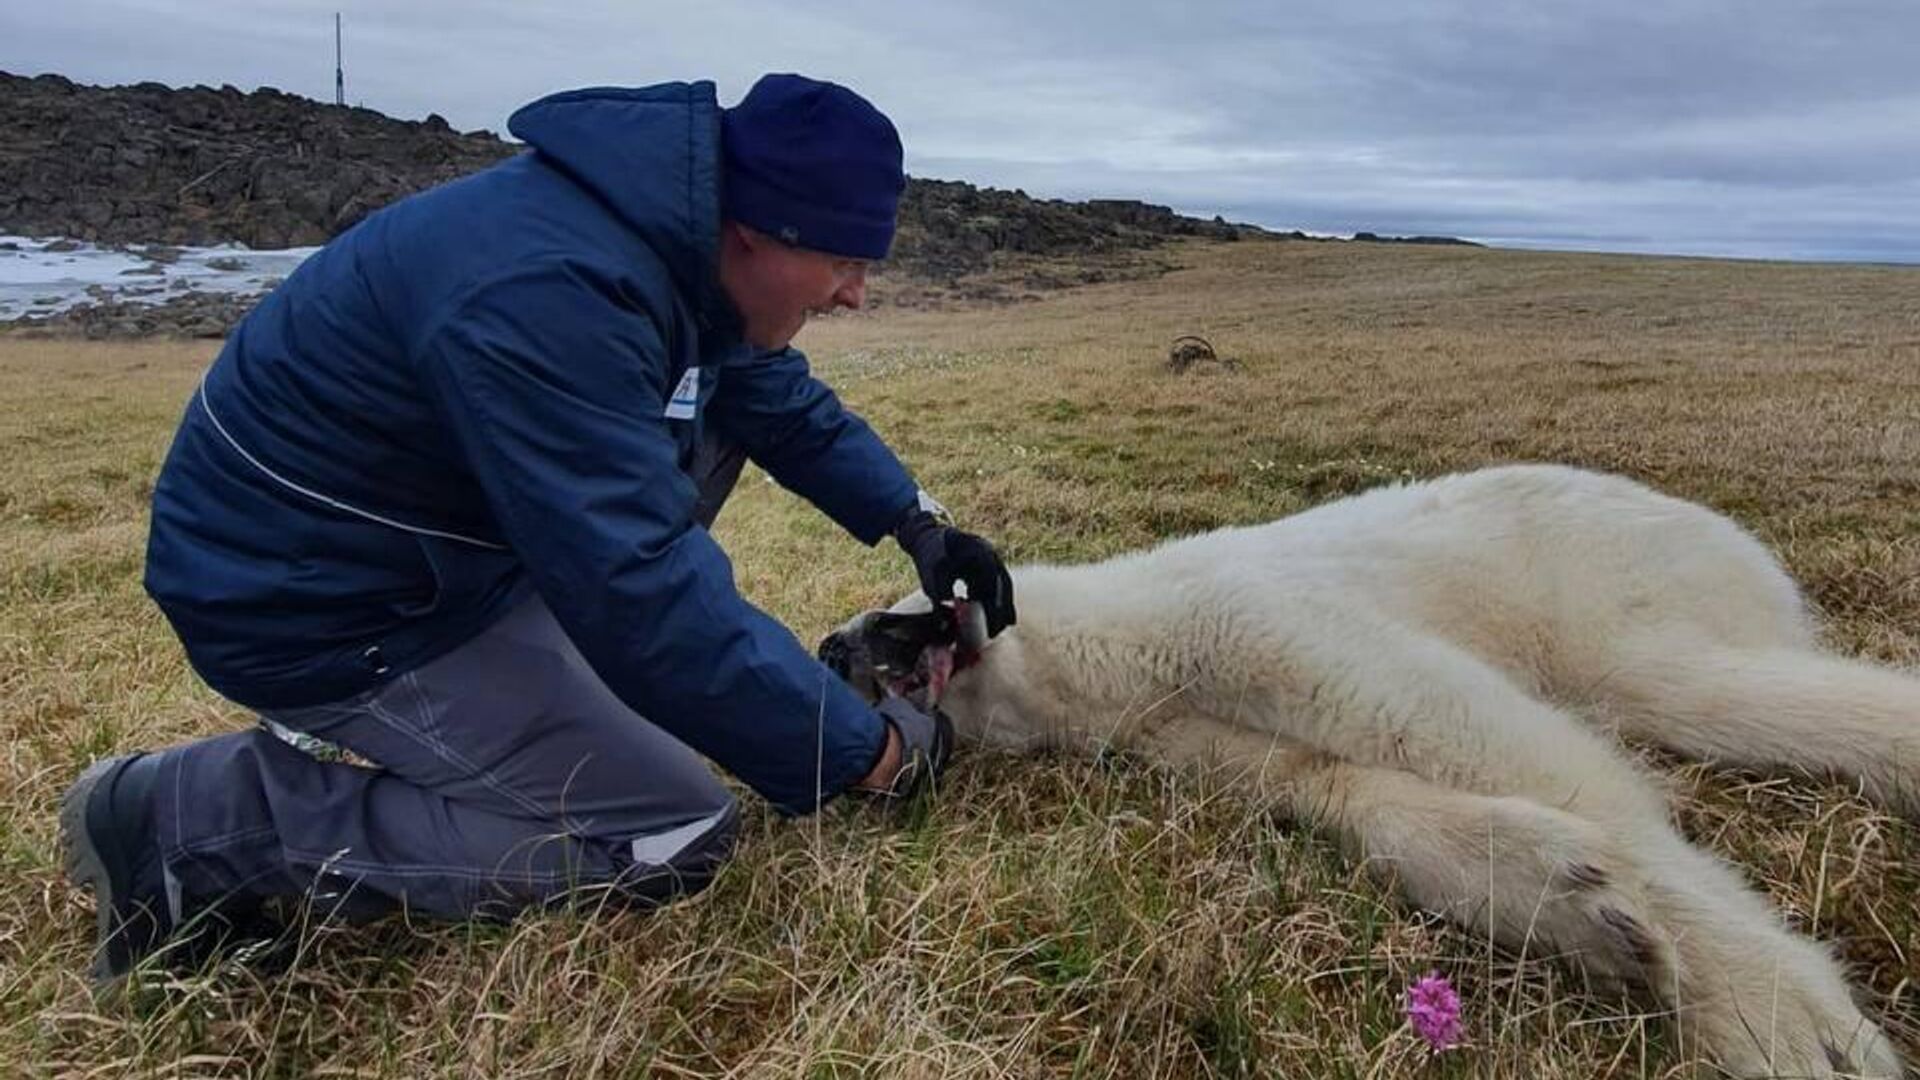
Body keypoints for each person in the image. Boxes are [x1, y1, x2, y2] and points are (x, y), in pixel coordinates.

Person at [57, 73, 1017, 981]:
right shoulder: (551, 292)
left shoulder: (670, 252)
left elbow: (772, 401)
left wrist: (919, 524)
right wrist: (868, 755)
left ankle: (562, 688)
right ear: (758, 230)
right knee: (669, 828)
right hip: (315, 601)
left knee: (707, 470)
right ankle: (187, 823)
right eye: (845, 259)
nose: (855, 293)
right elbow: (638, 587)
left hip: (425, 556)